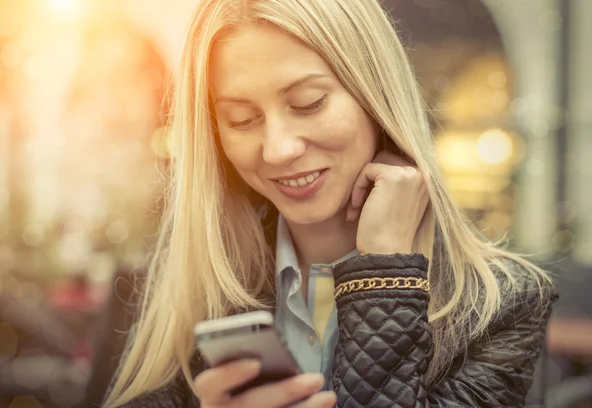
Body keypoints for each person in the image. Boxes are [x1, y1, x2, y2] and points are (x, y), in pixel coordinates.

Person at [103, 0, 557, 407]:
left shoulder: (501, 304)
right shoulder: (179, 286)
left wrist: (385, 272)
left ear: (375, 97)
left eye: (308, 103)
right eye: (242, 119)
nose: (278, 149)